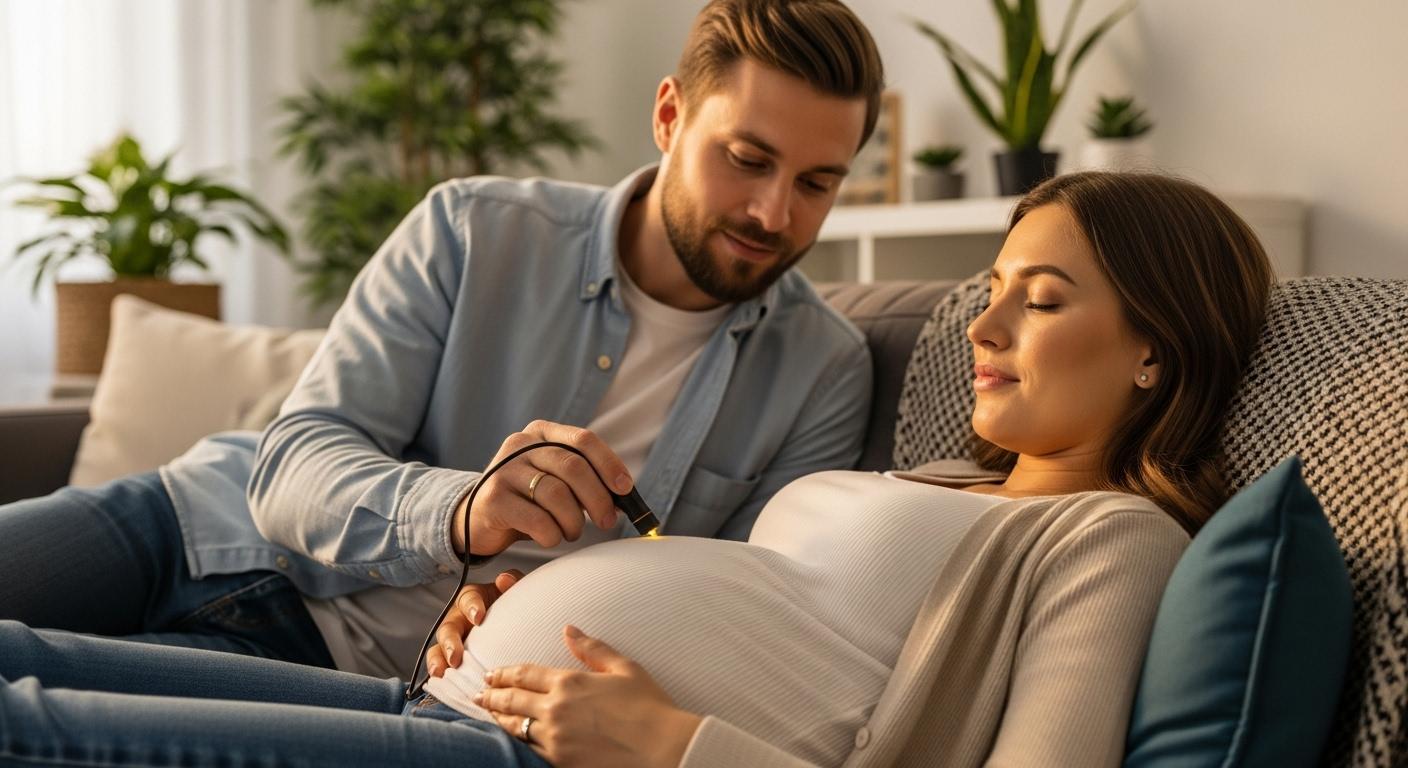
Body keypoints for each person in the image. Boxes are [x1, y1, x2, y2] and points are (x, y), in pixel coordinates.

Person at [0, 171, 1275, 767]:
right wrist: (515, 598)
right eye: (992, 289)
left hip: (531, 762)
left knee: (33, 726)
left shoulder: (1113, 539)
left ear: (1154, 352)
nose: (981, 327)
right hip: (444, 698)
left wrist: (677, 747)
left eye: (1039, 301)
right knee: (22, 657)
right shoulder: (945, 480)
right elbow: (748, 605)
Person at [0, 0, 883, 677]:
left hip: (340, 671)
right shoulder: (473, 228)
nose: (775, 214)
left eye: (817, 183)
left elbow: (739, 615)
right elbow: (292, 462)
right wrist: (462, 510)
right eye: (747, 160)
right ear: (668, 118)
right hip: (196, 526)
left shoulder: (823, 369)